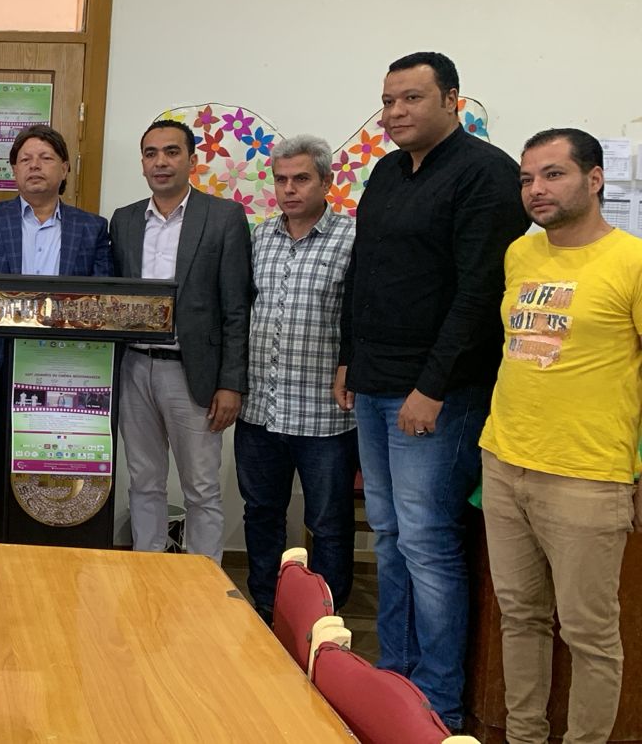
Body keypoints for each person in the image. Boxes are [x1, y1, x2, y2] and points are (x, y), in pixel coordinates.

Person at [334, 52, 525, 729]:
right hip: (375, 383)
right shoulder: (387, 172)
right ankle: (396, 676)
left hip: (437, 394)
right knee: (388, 536)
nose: (395, 112)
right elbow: (363, 271)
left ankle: (439, 703)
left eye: (411, 98)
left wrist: (432, 387)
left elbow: (478, 295)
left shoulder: (487, 174)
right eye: (388, 101)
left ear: (452, 100)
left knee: (427, 542)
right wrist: (349, 359)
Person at [480, 128, 642, 744]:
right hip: (505, 462)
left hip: (587, 478)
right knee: (520, 618)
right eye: (527, 178)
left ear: (594, 179)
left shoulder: (632, 261)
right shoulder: (520, 255)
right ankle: (524, 736)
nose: (536, 189)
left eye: (553, 174)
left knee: (590, 635)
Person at [0, 124, 112, 542]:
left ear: (65, 168)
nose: (34, 166)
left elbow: (101, 302)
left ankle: (49, 546)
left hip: (65, 370)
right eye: (25, 159)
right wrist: (41, 309)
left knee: (53, 463)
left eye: (45, 158)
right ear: (14, 171)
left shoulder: (92, 228)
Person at [109, 119, 251, 564]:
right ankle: (147, 572)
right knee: (143, 481)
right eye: (151, 153)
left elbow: (236, 307)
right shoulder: (125, 220)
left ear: (192, 160)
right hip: (133, 366)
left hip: (194, 372)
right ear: (142, 163)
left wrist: (231, 383)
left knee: (201, 487)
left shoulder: (223, 217)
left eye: (171, 152)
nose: (161, 162)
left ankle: (204, 581)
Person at [233, 134, 356, 623]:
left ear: (326, 181)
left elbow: (363, 316)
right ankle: (266, 608)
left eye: (301, 178)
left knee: (327, 522)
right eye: (281, 179)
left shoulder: (353, 238)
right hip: (260, 410)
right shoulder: (259, 238)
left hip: (325, 414)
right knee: (261, 512)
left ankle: (324, 619)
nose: (289, 189)